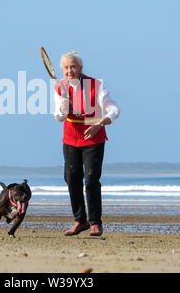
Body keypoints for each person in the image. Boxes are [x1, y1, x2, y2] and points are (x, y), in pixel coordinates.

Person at [53, 51, 120, 236]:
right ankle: (80, 221)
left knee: (91, 180)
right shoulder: (60, 87)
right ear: (62, 70)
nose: (69, 71)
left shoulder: (96, 86)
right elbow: (59, 117)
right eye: (66, 68)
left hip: (93, 136)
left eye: (73, 66)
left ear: (80, 68)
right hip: (71, 137)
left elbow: (114, 109)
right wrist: (63, 106)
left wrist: (100, 124)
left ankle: (95, 223)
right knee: (71, 179)